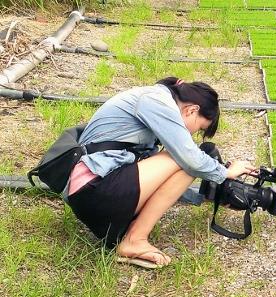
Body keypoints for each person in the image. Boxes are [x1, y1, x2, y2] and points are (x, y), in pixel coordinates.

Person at [63, 77, 256, 269]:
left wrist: (202, 196)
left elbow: (157, 178)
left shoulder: (154, 98)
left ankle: (132, 236)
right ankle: (134, 240)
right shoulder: (155, 101)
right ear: (192, 110)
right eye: (200, 128)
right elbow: (190, 158)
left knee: (185, 159)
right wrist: (226, 172)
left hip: (96, 193)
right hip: (95, 191)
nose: (192, 134)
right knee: (184, 158)